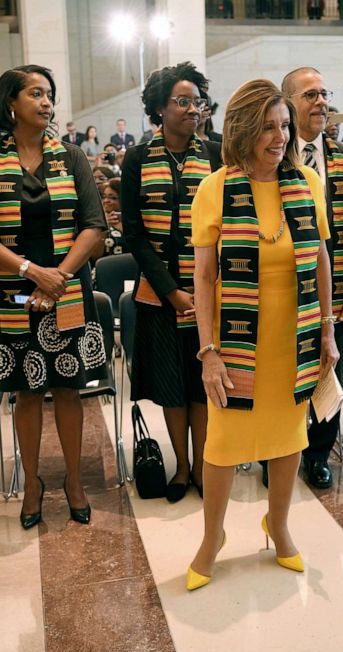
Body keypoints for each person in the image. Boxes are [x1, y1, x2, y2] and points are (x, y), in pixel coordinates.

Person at [186, 78, 338, 590]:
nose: (280, 137)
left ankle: (279, 523)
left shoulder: (306, 183)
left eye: (284, 126)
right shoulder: (216, 189)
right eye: (268, 127)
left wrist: (328, 330)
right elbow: (204, 278)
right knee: (223, 443)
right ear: (244, 130)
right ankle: (212, 539)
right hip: (236, 341)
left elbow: (320, 259)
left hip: (292, 337)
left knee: (289, 435)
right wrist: (208, 350)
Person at [0, 64, 108, 529]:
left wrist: (57, 276)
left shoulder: (72, 156)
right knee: (26, 393)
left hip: (65, 288)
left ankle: (74, 481)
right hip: (15, 293)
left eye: (50, 95)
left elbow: (94, 226)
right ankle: (31, 483)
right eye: (36, 94)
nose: (47, 103)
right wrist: (30, 272)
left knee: (68, 389)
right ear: (10, 103)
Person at [122, 62, 221, 502]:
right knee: (171, 385)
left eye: (197, 101)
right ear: (159, 108)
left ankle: (203, 466)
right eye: (182, 101)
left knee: (203, 379)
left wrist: (200, 288)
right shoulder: (139, 157)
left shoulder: (217, 154)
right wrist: (171, 290)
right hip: (160, 293)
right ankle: (180, 467)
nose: (192, 109)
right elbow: (133, 232)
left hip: (209, 289)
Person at [278, 66, 343, 489]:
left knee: (331, 371)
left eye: (324, 93)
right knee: (282, 373)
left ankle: (318, 453)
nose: (321, 102)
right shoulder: (273, 152)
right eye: (310, 95)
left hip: (336, 294)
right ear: (288, 104)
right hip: (284, 288)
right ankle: (277, 455)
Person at [99, 178, 125, 257]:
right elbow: (94, 255)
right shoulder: (98, 220)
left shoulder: (134, 220)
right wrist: (104, 228)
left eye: (112, 198)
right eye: (104, 196)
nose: (106, 200)